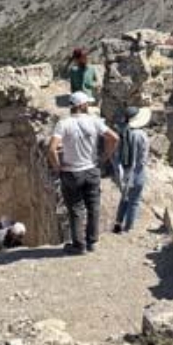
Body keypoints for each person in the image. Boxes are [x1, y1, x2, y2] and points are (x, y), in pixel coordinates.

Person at [47, 91, 118, 255]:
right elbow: (114, 138)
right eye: (88, 103)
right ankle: (92, 242)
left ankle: (79, 246)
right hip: (91, 170)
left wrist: (58, 168)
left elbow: (51, 149)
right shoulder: (95, 122)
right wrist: (105, 157)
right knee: (93, 206)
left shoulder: (63, 124)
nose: (89, 106)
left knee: (76, 209)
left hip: (71, 172)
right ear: (82, 105)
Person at [111, 106, 152, 234]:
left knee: (124, 198)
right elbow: (143, 158)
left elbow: (115, 155)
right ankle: (128, 229)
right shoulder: (141, 135)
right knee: (134, 202)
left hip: (123, 173)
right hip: (137, 173)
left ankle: (117, 226)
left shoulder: (120, 132)